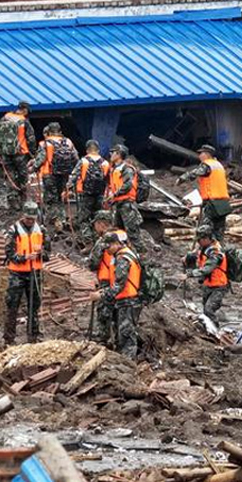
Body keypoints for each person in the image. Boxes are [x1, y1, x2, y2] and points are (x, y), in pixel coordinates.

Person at [3, 201, 50, 346]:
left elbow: (48, 253)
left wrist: (41, 253)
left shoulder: (41, 230)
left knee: (34, 306)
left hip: (35, 273)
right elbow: (9, 252)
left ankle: (33, 337)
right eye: (28, 218)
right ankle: (9, 339)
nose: (30, 221)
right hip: (17, 274)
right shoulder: (14, 230)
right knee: (12, 306)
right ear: (23, 216)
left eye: (32, 219)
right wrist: (23, 258)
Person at [100, 230, 143, 358]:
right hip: (127, 300)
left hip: (128, 301)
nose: (106, 251)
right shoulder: (125, 253)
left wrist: (102, 295)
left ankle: (128, 365)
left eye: (108, 247)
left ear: (115, 244)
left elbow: (120, 285)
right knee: (124, 334)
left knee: (126, 335)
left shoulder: (122, 258)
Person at [86, 211, 123, 345]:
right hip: (122, 281)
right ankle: (118, 340)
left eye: (96, 224)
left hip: (107, 280)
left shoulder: (104, 241)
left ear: (101, 224)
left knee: (104, 313)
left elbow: (92, 263)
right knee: (120, 314)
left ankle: (104, 340)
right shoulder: (122, 236)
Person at [179, 145, 231, 239]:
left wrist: (183, 177)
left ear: (206, 154)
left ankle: (205, 251)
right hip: (223, 203)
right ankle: (219, 249)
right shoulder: (218, 165)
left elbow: (196, 172)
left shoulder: (207, 165)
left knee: (205, 230)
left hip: (212, 203)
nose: (199, 156)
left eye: (201, 153)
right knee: (219, 231)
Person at [31, 123, 77, 226]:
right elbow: (75, 158)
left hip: (49, 174)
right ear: (60, 131)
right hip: (64, 174)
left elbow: (41, 159)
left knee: (50, 198)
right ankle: (62, 219)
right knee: (60, 197)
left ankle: (52, 221)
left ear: (49, 131)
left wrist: (33, 168)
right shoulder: (68, 142)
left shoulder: (45, 143)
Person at [0, 102, 36, 211]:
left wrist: (0, 150)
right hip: (20, 153)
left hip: (6, 154)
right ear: (24, 110)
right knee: (23, 176)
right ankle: (23, 198)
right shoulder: (23, 121)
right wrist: (33, 154)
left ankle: (12, 198)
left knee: (10, 176)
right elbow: (31, 138)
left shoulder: (5, 117)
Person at [68, 141, 110, 245]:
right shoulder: (105, 163)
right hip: (100, 195)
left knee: (83, 219)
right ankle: (99, 240)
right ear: (98, 150)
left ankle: (88, 242)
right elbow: (109, 180)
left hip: (86, 195)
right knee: (98, 218)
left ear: (87, 150)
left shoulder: (84, 161)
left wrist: (68, 188)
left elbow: (74, 176)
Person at [105, 145, 143, 250]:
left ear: (118, 154)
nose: (111, 155)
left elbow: (128, 185)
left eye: (113, 152)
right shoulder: (115, 169)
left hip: (127, 204)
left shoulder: (126, 169)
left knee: (132, 234)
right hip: (118, 204)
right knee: (118, 231)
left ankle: (142, 259)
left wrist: (114, 194)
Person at [185, 232, 229, 323]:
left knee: (209, 310)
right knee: (205, 311)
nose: (198, 243)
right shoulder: (204, 247)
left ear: (206, 239)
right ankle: (208, 329)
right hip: (208, 284)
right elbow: (199, 258)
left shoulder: (215, 252)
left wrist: (189, 274)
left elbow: (208, 268)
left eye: (199, 240)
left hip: (219, 285)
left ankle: (216, 331)